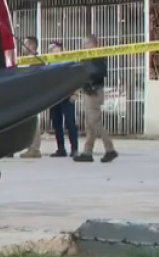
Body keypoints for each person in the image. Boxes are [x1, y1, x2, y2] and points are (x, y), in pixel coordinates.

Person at [74, 34, 118, 163]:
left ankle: (110, 149)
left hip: (94, 90)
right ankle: (88, 151)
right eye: (83, 44)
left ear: (94, 44)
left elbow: (98, 73)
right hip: (89, 90)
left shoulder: (97, 56)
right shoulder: (88, 57)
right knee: (90, 123)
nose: (84, 46)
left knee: (95, 122)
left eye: (86, 43)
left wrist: (88, 79)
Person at [47, 41, 79, 157]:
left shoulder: (68, 62)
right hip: (55, 97)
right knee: (56, 122)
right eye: (50, 49)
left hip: (67, 95)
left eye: (53, 48)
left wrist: (75, 93)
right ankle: (61, 148)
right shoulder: (48, 63)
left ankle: (74, 148)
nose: (51, 51)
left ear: (60, 50)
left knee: (70, 122)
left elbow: (75, 78)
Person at [20, 36, 44, 158]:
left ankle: (34, 148)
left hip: (34, 95)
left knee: (34, 121)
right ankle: (32, 147)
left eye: (24, 44)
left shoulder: (36, 60)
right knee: (30, 121)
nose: (22, 47)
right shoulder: (27, 60)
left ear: (31, 45)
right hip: (28, 95)